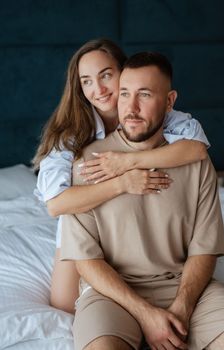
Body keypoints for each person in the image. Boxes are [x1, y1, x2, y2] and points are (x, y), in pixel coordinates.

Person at [60, 51, 224, 350]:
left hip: (186, 288)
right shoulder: (87, 163)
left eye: (144, 94)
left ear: (169, 101)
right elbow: (86, 261)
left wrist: (182, 307)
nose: (131, 107)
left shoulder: (195, 160)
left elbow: (204, 249)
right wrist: (146, 315)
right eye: (125, 93)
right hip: (111, 293)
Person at [33, 38, 209, 314]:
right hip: (86, 221)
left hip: (138, 221)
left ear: (124, 73)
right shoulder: (71, 133)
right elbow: (56, 204)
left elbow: (197, 149)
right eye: (87, 81)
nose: (98, 89)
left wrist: (127, 161)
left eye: (106, 76)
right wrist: (123, 182)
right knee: (65, 306)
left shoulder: (161, 113)